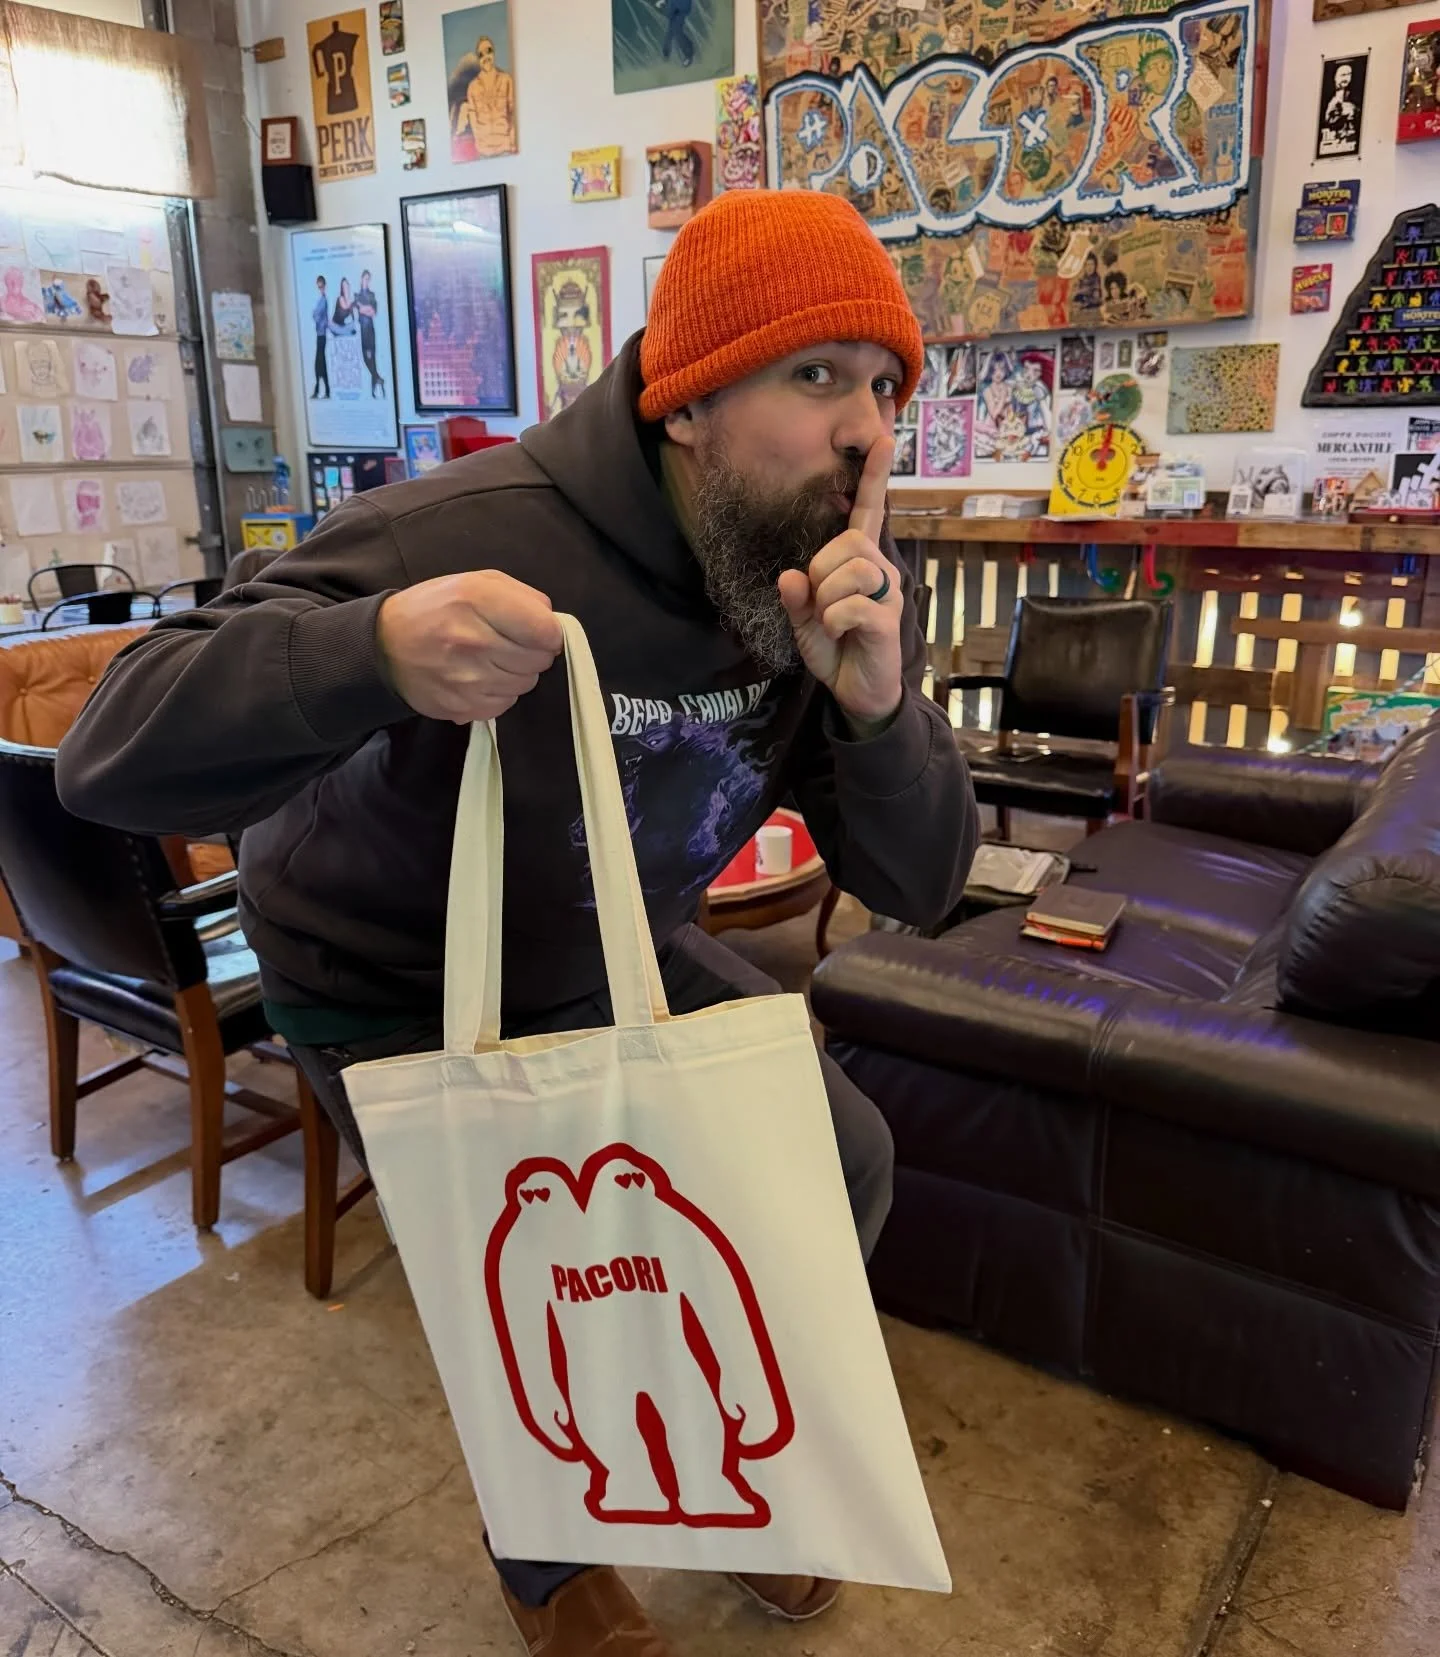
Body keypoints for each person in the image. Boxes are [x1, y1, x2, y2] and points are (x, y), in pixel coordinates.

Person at [56, 189, 977, 1657]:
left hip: (612, 936)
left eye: (882, 385)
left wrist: (878, 708)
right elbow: (108, 750)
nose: (866, 429)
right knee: (533, 1278)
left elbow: (929, 887)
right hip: (389, 972)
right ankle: (553, 1571)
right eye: (817, 376)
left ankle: (731, 1475)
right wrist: (364, 653)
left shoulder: (791, 577)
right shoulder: (461, 528)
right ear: (687, 404)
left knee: (838, 1157)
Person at [454, 34, 516, 158]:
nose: (485, 57)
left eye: (488, 51)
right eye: (481, 54)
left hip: (505, 147)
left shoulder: (506, 80)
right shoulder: (473, 87)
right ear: (478, 59)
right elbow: (473, 118)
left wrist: (512, 141)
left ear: (494, 53)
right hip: (483, 151)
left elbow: (513, 112)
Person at [355, 268, 385, 399]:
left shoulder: (372, 295)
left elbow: (373, 312)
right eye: (365, 278)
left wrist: (364, 309)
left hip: (370, 330)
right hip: (363, 330)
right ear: (361, 279)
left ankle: (375, 387)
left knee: (372, 358)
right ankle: (378, 379)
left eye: (368, 279)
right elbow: (359, 310)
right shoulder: (357, 296)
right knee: (366, 358)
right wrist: (365, 309)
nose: (366, 281)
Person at [310, 274, 331, 400]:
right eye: (319, 286)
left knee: (319, 363)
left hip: (322, 335)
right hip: (320, 334)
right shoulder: (320, 300)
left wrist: (316, 316)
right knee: (320, 364)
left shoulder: (323, 301)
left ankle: (320, 390)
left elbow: (317, 316)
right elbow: (315, 315)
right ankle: (324, 390)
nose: (320, 288)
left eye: (321, 286)